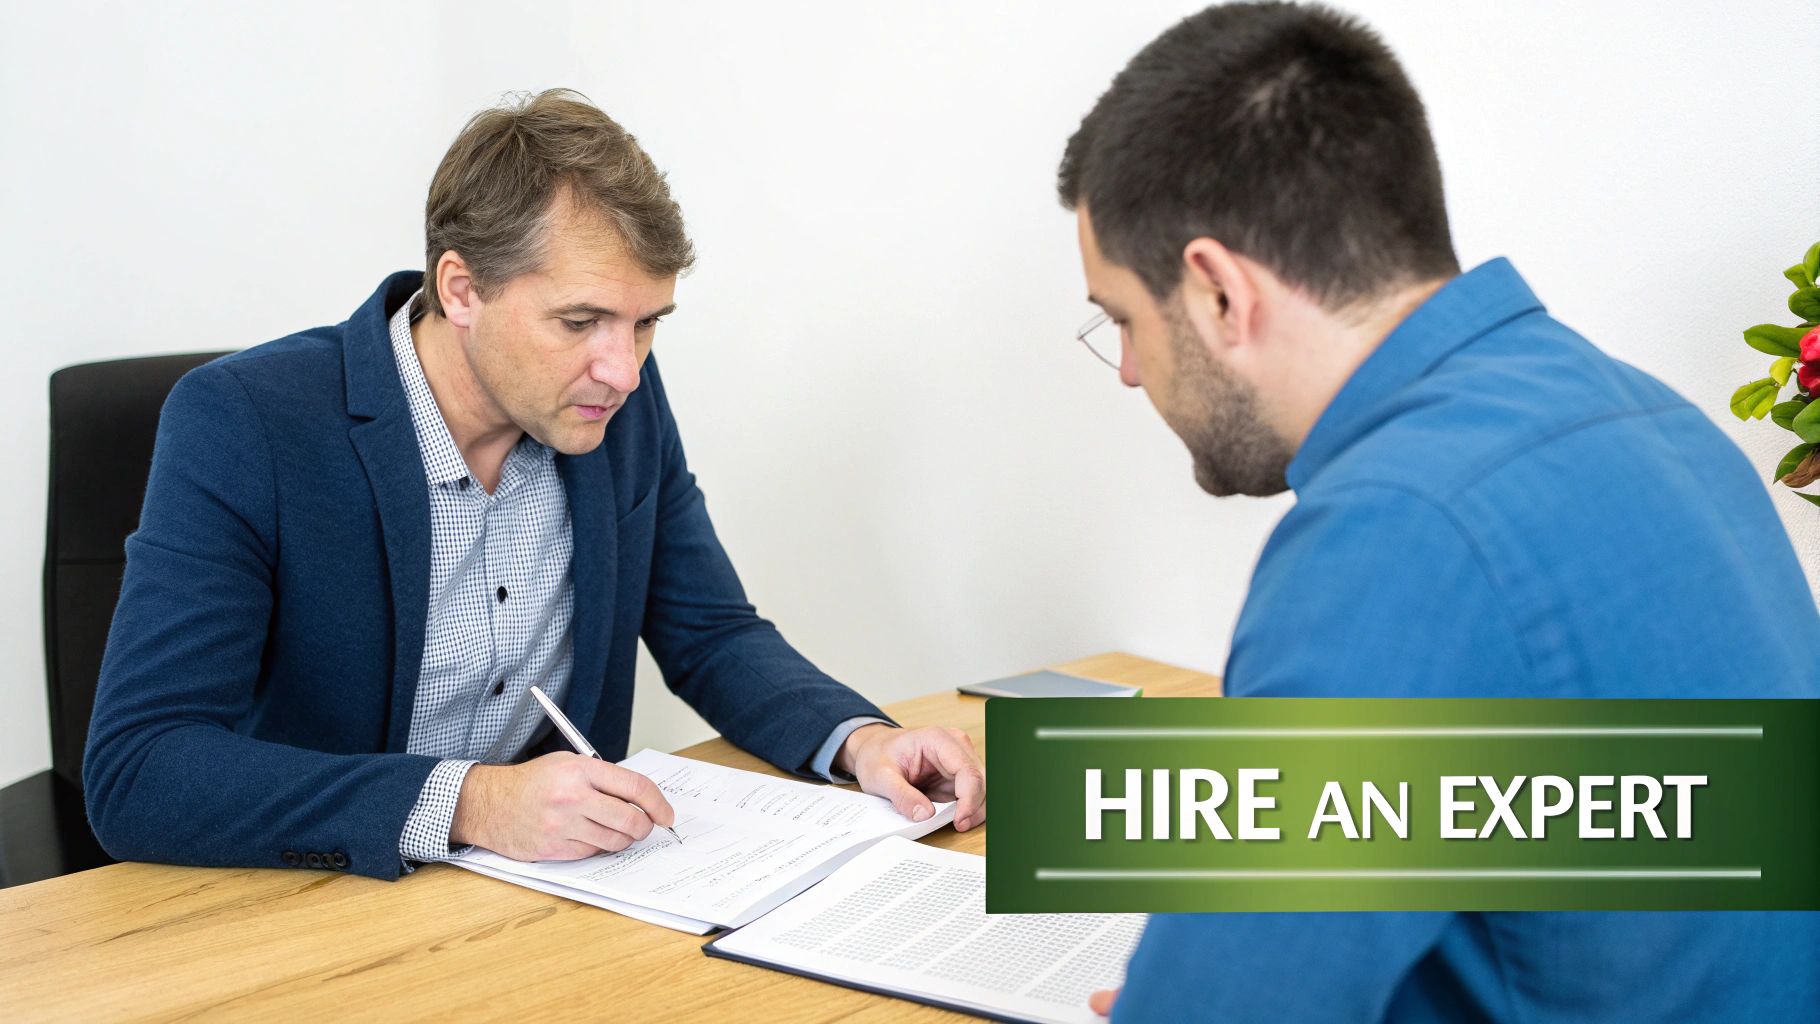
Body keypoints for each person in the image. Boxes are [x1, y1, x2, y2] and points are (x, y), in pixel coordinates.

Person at [1055, 4, 1820, 1020]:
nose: (1128, 370)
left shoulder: (1397, 532)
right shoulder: (1649, 416)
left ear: (1215, 292)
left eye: (1122, 319)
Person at [84, 89, 983, 880]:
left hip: (554, 895)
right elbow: (142, 767)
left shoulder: (616, 398)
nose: (622, 370)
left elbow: (708, 631)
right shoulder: (243, 420)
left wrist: (865, 742)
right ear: (463, 288)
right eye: (582, 320)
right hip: (320, 897)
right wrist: (471, 804)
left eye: (645, 325)